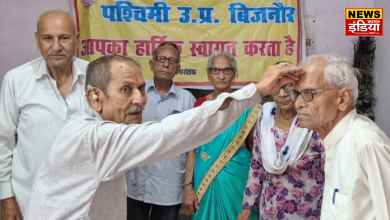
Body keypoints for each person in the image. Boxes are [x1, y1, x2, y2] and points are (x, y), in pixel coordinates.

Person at [24, 55, 301, 219]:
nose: (139, 100)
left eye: (141, 89)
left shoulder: (87, 127)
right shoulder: (94, 137)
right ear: (95, 96)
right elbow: (171, 133)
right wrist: (255, 90)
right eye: (125, 89)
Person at [0, 10, 88, 218]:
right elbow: (3, 143)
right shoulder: (16, 80)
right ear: (37, 40)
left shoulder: (97, 77)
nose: (56, 47)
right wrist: (6, 197)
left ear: (77, 40)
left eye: (64, 38)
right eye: (48, 38)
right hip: (30, 201)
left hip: (84, 204)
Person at [288, 54, 390, 220]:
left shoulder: (366, 143)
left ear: (343, 98)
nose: (298, 103)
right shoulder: (332, 141)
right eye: (297, 94)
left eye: (309, 93)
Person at [237, 62, 324, 220]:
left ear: (299, 87)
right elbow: (257, 164)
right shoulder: (265, 118)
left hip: (309, 210)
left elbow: (330, 169)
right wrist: (248, 206)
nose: (282, 94)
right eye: (276, 89)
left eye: (288, 86)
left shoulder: (314, 122)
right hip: (271, 209)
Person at [182, 51, 258, 220]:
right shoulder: (200, 105)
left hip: (237, 176)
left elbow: (253, 148)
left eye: (226, 70)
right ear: (209, 74)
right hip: (205, 174)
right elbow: (192, 150)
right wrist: (188, 187)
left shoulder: (246, 105)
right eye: (216, 70)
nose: (221, 76)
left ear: (234, 73)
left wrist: (256, 187)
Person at [125, 42, 195, 220]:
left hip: (169, 184)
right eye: (161, 59)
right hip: (135, 182)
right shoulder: (135, 94)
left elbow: (191, 146)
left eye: (172, 61)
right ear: (151, 64)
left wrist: (188, 185)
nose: (166, 64)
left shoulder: (187, 100)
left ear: (178, 68)